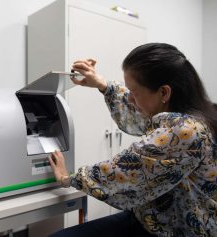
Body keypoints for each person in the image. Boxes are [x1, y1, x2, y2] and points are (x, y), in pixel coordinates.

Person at [48, 43, 217, 237]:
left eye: (134, 92)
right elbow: (137, 115)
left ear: (164, 92)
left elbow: (125, 171)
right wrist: (102, 84)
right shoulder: (193, 115)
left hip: (176, 229)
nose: (129, 99)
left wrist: (67, 177)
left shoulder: (185, 131)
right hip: (154, 216)